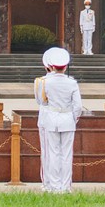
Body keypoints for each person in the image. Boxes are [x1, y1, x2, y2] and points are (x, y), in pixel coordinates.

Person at [35, 47, 83, 193]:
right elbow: (78, 106)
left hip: (52, 118)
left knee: (53, 152)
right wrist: (72, 118)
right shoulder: (72, 83)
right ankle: (65, 185)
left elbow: (41, 102)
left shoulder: (45, 82)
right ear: (66, 66)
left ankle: (54, 185)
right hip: (67, 118)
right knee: (66, 154)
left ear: (52, 66)